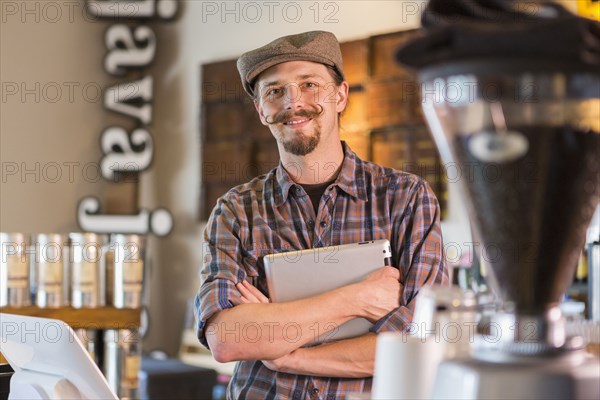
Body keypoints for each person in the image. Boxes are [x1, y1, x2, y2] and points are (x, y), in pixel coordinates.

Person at [195, 30, 448, 399]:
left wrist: (285, 354)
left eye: (309, 84)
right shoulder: (236, 210)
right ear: (261, 110)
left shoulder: (407, 199)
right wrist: (359, 298)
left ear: (340, 95)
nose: (293, 102)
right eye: (274, 91)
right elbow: (227, 339)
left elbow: (418, 342)